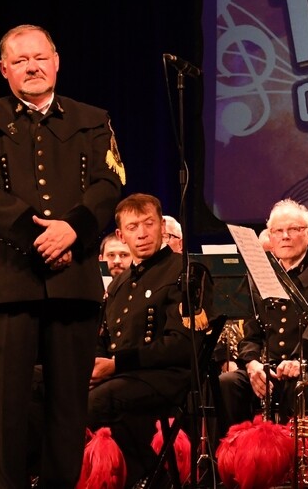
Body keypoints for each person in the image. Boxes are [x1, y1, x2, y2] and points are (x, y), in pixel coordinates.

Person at [0, 23, 124, 489]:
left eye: (40, 57)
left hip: (74, 284)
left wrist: (72, 230)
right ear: (4, 68)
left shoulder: (93, 119)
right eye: (21, 60)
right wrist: (39, 237)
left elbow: (108, 184)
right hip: (8, 285)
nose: (32, 67)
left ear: (56, 62)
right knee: (2, 409)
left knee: (68, 409)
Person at [89, 193, 213, 487]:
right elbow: (103, 337)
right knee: (41, 387)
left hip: (166, 378)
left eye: (149, 224)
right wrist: (91, 367)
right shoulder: (118, 283)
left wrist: (116, 364)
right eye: (133, 227)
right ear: (121, 235)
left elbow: (183, 346)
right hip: (121, 376)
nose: (142, 234)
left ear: (162, 226)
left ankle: (139, 478)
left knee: (93, 403)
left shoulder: (187, 271)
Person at [217, 199, 308, 436]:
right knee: (228, 383)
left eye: (293, 229)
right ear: (270, 237)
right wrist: (252, 364)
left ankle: (295, 457)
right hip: (271, 367)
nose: (285, 236)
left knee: (298, 387)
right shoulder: (261, 272)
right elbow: (252, 329)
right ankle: (237, 454)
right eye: (278, 231)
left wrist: (299, 360)